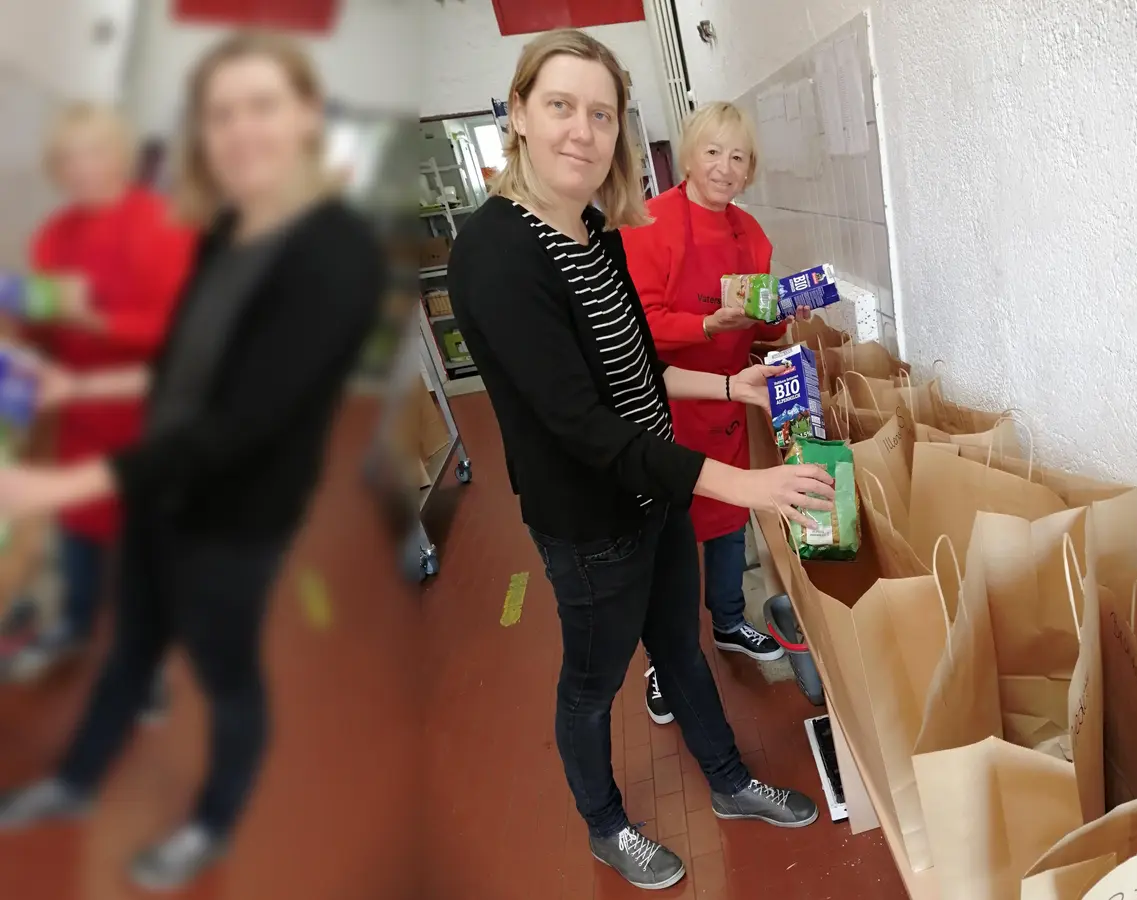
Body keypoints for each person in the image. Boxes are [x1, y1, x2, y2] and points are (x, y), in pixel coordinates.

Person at [447, 30, 832, 892]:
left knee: (683, 650)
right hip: (589, 523)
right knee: (591, 684)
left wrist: (740, 392)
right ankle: (605, 823)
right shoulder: (495, 257)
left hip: (654, 494)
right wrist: (742, 482)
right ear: (516, 115)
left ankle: (729, 783)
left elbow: (643, 371)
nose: (582, 131)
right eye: (560, 107)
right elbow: (583, 426)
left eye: (601, 114)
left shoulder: (595, 230)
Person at [0, 31, 384, 892]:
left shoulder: (335, 251)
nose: (240, 130)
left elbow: (240, 422)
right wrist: (76, 391)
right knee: (130, 647)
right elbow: (180, 368)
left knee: (224, 673)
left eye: (261, 107)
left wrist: (66, 481)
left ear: (306, 117)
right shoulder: (222, 232)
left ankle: (209, 826)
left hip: (234, 517)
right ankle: (71, 782)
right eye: (221, 114)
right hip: (157, 485)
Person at [0, 103, 193, 694]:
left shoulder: (163, 224)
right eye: (67, 158)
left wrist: (97, 319)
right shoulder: (54, 235)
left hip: (149, 416)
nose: (81, 169)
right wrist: (18, 328)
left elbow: (175, 337)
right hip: (78, 416)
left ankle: (149, 661)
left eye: (94, 153)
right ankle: (78, 625)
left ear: (120, 155)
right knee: (80, 532)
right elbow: (42, 330)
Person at [622, 101, 790, 726]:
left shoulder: (751, 234)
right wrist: (704, 323)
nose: (724, 168)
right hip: (665, 406)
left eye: (738, 157)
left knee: (726, 521)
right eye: (713, 151)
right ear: (688, 154)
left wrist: (783, 309)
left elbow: (762, 310)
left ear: (750, 171)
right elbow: (634, 329)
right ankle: (663, 661)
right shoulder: (649, 224)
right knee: (667, 542)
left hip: (730, 398)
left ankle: (726, 622)